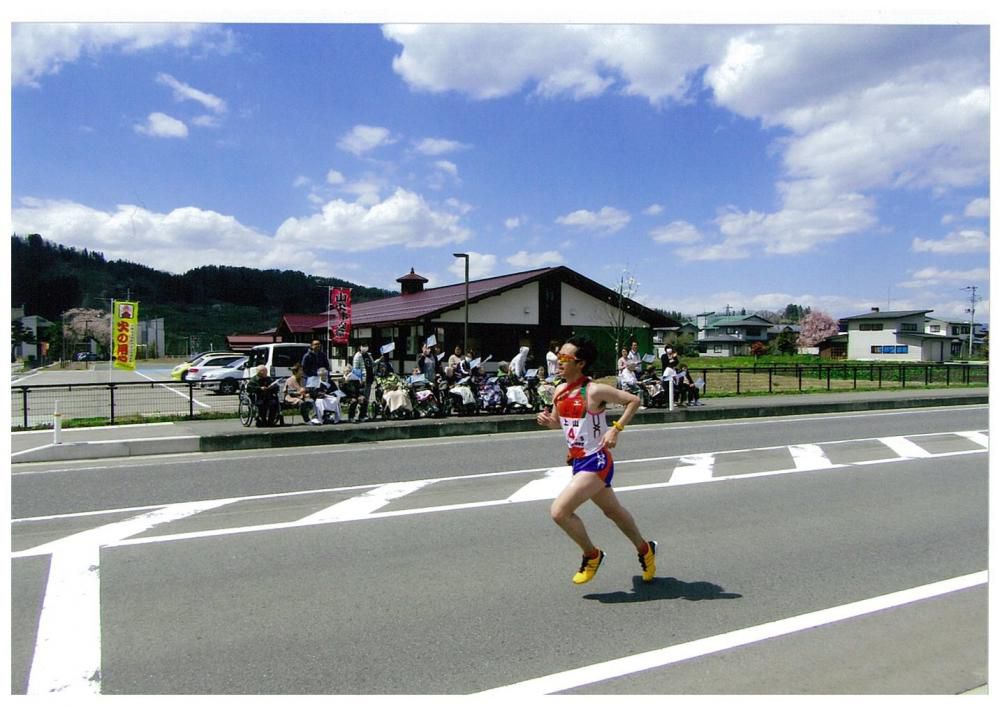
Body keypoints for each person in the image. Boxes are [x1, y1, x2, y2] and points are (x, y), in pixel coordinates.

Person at [536, 336, 657, 585]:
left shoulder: (595, 390)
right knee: (613, 511)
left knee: (560, 512)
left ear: (580, 363)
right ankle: (645, 549)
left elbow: (634, 400)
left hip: (597, 460)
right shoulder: (560, 390)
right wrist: (550, 423)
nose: (559, 362)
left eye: (565, 358)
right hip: (578, 462)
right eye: (559, 356)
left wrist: (615, 429)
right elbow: (560, 422)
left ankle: (592, 555)